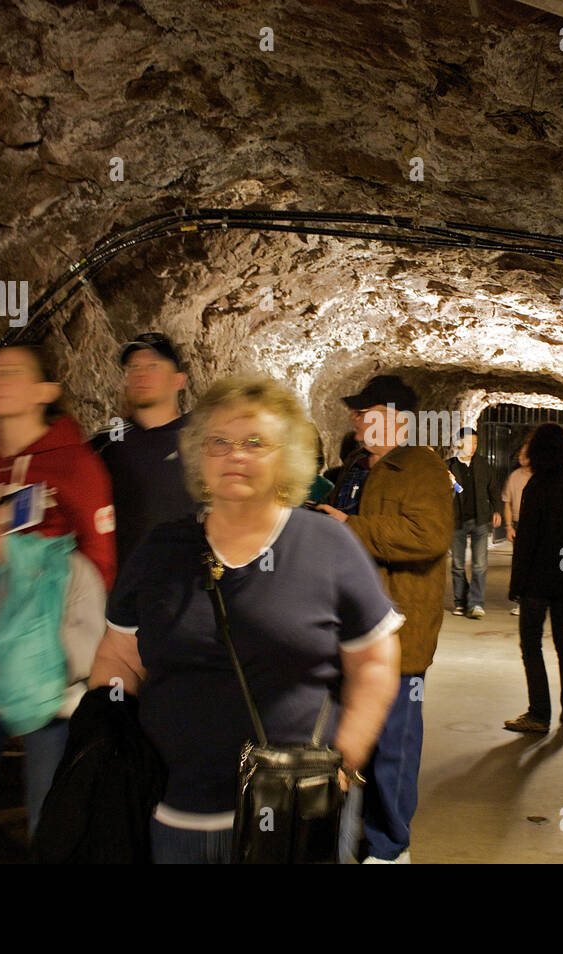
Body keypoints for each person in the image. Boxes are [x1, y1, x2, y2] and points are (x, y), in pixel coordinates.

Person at [89, 376, 404, 864]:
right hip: (177, 812)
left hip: (295, 812)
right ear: (199, 454)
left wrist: (345, 763)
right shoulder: (160, 549)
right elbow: (119, 656)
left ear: (286, 457)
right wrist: (112, 744)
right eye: (220, 441)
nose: (235, 454)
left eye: (256, 442)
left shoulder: (326, 545)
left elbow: (376, 659)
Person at [0, 343, 117, 863]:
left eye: (11, 373)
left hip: (45, 661)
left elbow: (99, 561)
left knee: (49, 813)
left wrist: (95, 658)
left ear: (45, 392)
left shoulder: (76, 464)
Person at [318, 374, 453, 863]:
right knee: (345, 738)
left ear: (399, 419)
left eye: (366, 411)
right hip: (342, 630)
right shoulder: (353, 467)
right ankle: (345, 834)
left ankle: (390, 847)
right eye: (356, 412)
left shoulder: (423, 468)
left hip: (398, 632)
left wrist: (350, 527)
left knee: (393, 746)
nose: (356, 419)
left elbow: (429, 536)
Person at [505, 422, 563, 734]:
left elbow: (527, 540)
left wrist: (518, 584)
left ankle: (539, 714)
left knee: (532, 645)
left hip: (538, 581)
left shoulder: (536, 486)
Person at [91, 333, 195, 568]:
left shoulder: (204, 438)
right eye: (133, 367)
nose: (141, 374)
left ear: (179, 380)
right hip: (124, 591)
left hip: (187, 590)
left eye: (153, 365)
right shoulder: (106, 444)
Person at [446, 426, 501, 619]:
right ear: (459, 443)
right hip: (457, 519)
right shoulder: (449, 466)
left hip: (480, 519)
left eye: (476, 443)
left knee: (480, 565)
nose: (473, 447)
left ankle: (476, 603)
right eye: (469, 442)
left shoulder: (483, 465)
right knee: (458, 564)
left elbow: (493, 488)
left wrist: (497, 510)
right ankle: (461, 602)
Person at [500, 431, 535, 616]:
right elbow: (507, 502)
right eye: (520, 454)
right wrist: (509, 526)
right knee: (520, 564)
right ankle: (521, 599)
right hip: (520, 523)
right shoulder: (514, 476)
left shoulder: (540, 477)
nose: (521, 458)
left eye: (525, 454)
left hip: (537, 525)